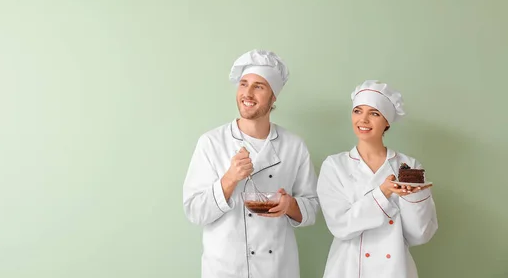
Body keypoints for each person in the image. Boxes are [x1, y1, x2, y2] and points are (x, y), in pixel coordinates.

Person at [183, 49, 320, 278]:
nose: (247, 93)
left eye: (259, 86)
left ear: (273, 96)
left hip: (277, 268)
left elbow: (312, 208)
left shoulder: (294, 146)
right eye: (243, 84)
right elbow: (195, 211)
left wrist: (290, 206)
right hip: (225, 269)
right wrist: (229, 179)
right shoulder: (211, 142)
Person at [317, 80, 438, 278]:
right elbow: (341, 226)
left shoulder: (408, 165)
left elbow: (420, 234)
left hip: (395, 270)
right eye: (357, 111)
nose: (363, 119)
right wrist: (383, 193)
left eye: (374, 113)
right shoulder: (335, 165)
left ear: (387, 121)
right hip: (347, 269)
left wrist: (413, 198)